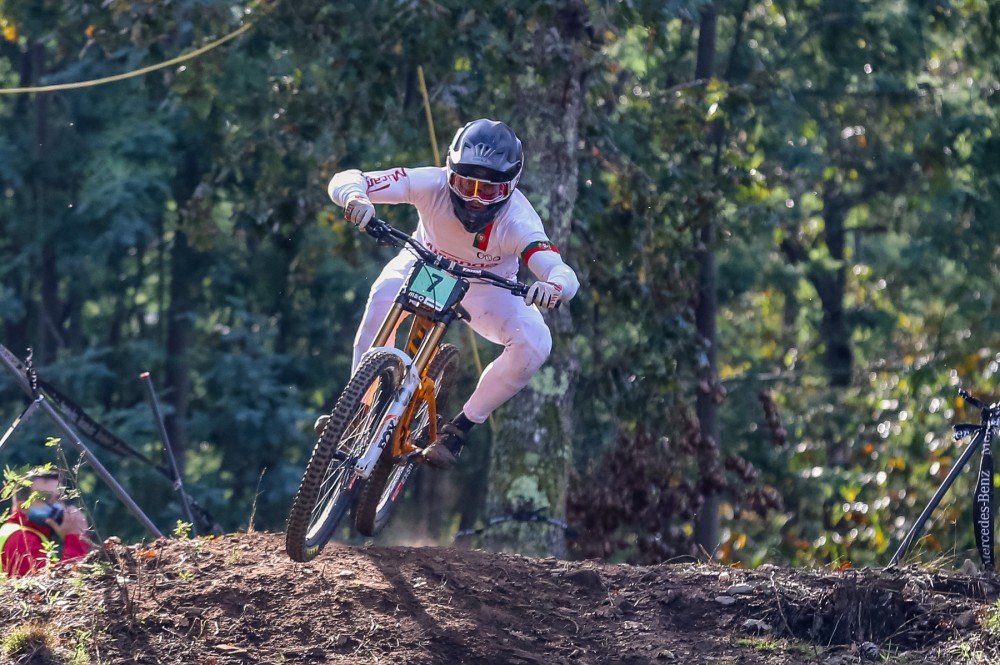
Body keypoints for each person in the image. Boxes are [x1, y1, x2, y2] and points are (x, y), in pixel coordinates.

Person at [325, 118, 579, 469]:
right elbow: (348, 178)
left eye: (487, 192)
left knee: (536, 343)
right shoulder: (430, 183)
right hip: (422, 262)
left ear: (510, 187)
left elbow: (559, 269)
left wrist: (553, 286)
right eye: (464, 184)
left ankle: (460, 428)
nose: (474, 200)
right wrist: (356, 198)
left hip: (486, 286)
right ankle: (356, 409)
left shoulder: (520, 221)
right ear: (448, 172)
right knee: (381, 295)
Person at [1, 468, 90, 577]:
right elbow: (55, 589)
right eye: (45, 498)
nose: (57, 505)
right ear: (23, 507)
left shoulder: (22, 533)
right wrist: (74, 539)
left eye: (59, 498)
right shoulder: (22, 539)